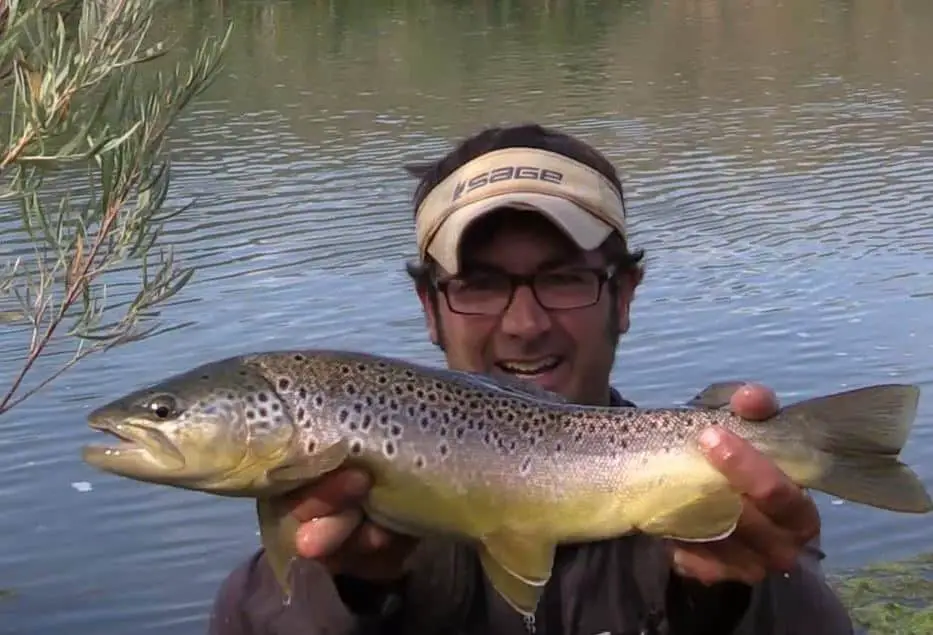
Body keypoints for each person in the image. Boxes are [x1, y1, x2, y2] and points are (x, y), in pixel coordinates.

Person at [209, 124, 854, 635]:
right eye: (481, 285)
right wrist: (349, 596)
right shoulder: (288, 579)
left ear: (623, 296)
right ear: (429, 308)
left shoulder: (732, 507)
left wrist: (727, 607)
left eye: (564, 278)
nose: (524, 323)